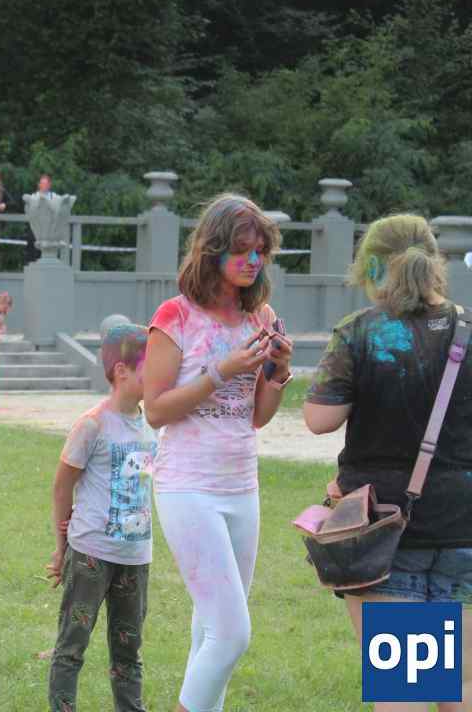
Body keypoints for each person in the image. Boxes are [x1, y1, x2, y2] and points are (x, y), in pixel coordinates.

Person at [304, 213, 472, 711]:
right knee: (461, 685)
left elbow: (319, 419)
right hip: (464, 527)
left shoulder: (361, 332)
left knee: (406, 689)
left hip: (387, 530)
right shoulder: (468, 329)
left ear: (374, 267)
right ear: (434, 263)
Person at [143, 193, 293, 712]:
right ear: (213, 250)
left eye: (261, 251)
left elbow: (257, 416)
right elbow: (155, 411)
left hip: (241, 486)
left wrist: (278, 371)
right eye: (242, 250)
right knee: (230, 635)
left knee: (210, 631)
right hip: (188, 487)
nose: (253, 261)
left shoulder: (261, 316)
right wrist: (221, 371)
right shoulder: (175, 316)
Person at [46, 323, 157, 712]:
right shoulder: (92, 424)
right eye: (151, 367)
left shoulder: (153, 423)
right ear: (122, 371)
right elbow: (62, 487)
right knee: (71, 646)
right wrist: (61, 548)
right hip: (91, 553)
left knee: (129, 653)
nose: (160, 375)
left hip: (136, 557)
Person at [24, 174, 56, 263]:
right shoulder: (33, 197)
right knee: (32, 254)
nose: (43, 186)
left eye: (45, 184)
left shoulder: (54, 197)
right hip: (35, 230)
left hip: (49, 231)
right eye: (42, 184)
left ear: (49, 185)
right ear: (39, 185)